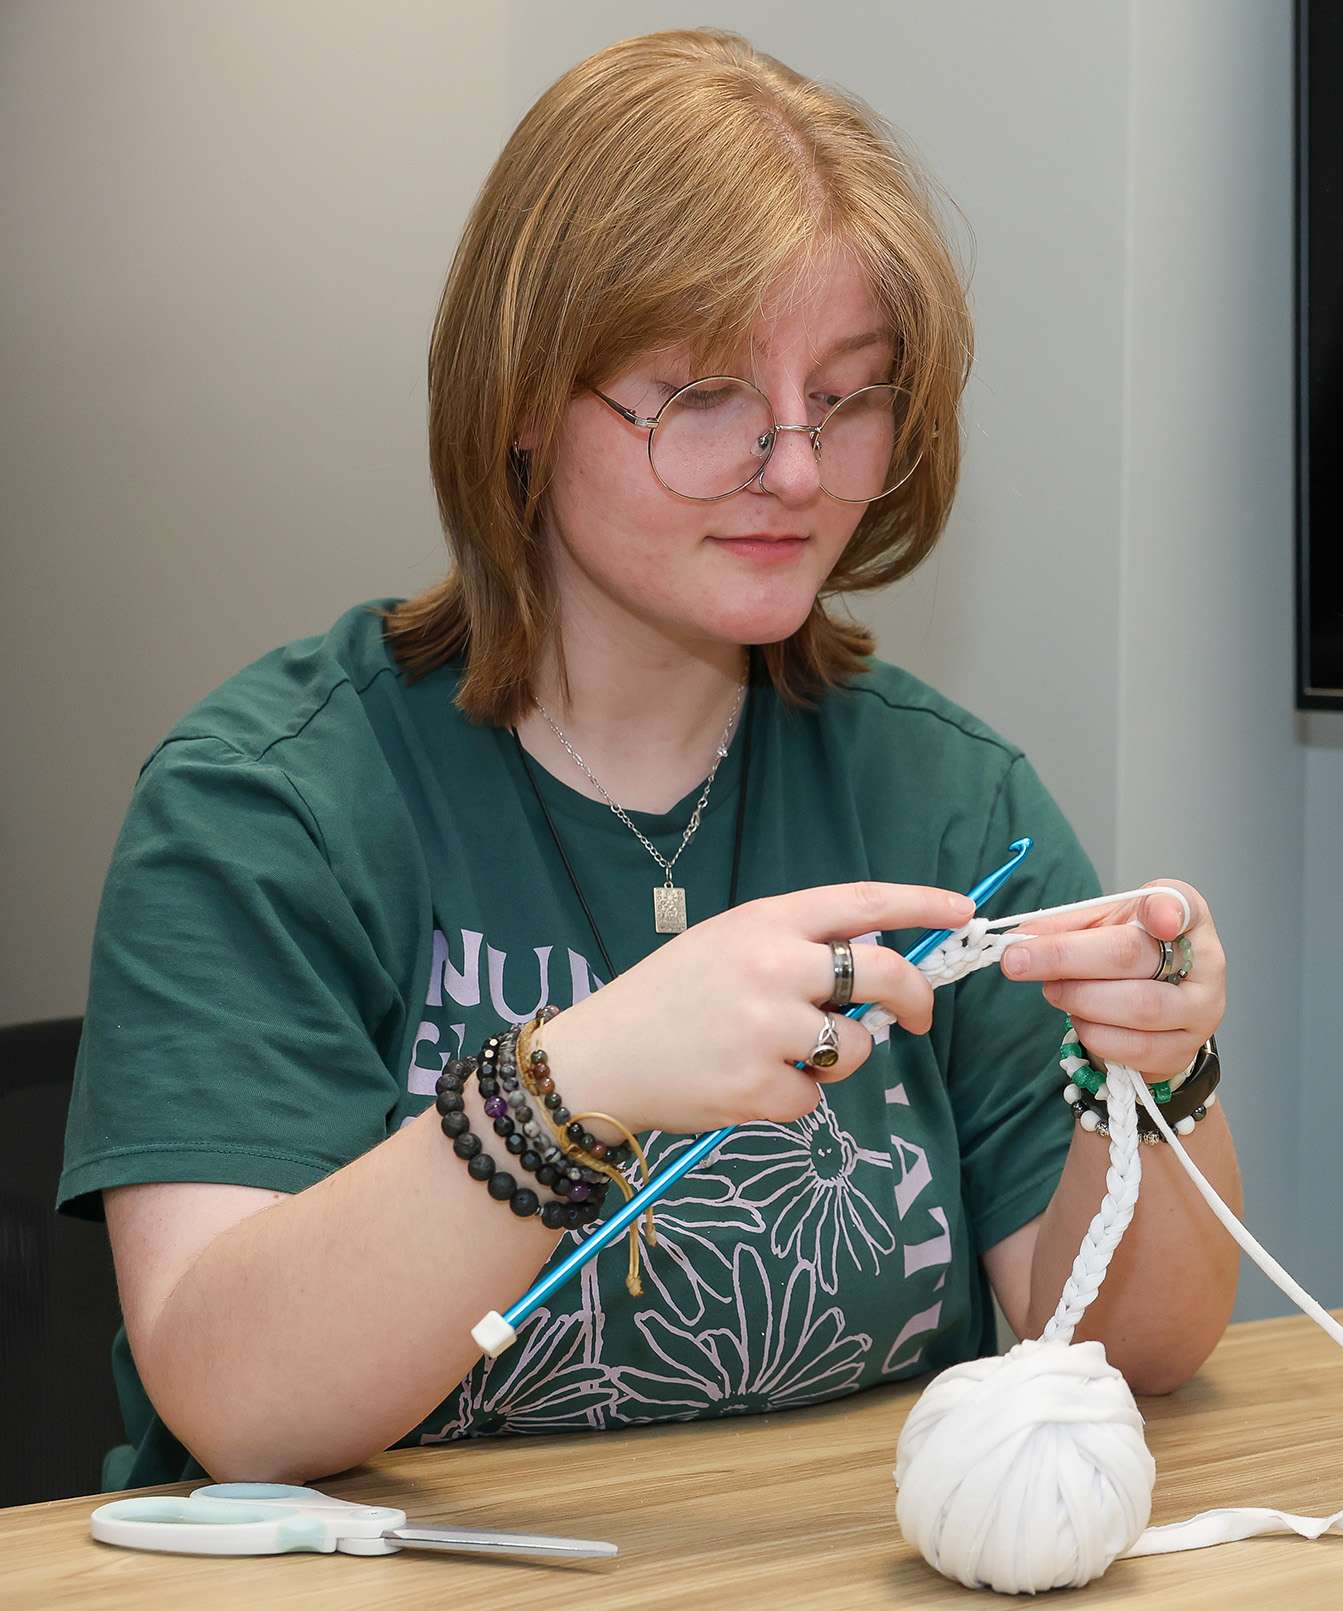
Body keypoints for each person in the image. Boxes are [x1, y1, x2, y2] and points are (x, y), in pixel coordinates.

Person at [55, 28, 1240, 1490]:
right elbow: (239, 1405)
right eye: (703, 397)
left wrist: (1158, 1075)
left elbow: (1135, 1352)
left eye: (850, 396)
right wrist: (577, 1079)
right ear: (526, 400)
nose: (798, 470)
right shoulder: (268, 807)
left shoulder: (948, 797)